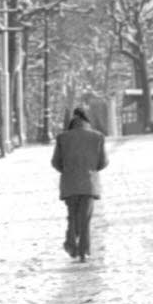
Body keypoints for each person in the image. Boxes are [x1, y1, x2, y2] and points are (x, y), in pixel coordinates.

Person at [50, 107, 109, 263]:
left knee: (72, 216)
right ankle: (83, 250)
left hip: (70, 183)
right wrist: (91, 169)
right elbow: (103, 162)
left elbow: (55, 162)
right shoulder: (98, 137)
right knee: (85, 218)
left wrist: (67, 170)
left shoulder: (62, 138)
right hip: (89, 184)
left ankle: (71, 243)